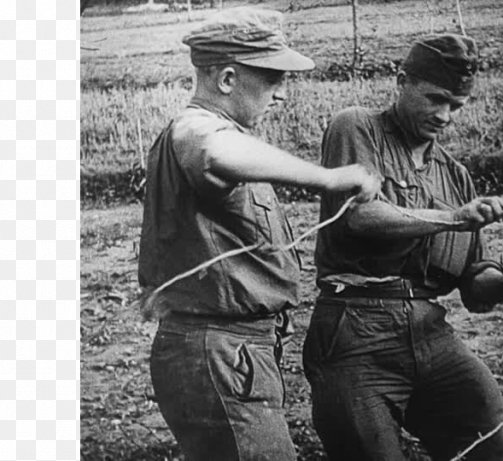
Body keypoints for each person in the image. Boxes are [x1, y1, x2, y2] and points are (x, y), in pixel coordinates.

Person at [137, 8, 381, 461]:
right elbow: (211, 150)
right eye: (272, 79)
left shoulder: (229, 134)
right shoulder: (198, 128)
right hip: (219, 351)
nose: (282, 95)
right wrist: (327, 178)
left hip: (233, 351)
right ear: (227, 79)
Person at [303, 34, 503, 460]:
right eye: (435, 99)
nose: (445, 116)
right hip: (355, 331)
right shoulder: (357, 128)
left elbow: (474, 280)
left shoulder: (455, 176)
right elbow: (360, 216)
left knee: (500, 451)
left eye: (456, 106)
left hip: (431, 333)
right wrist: (453, 218)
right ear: (402, 81)